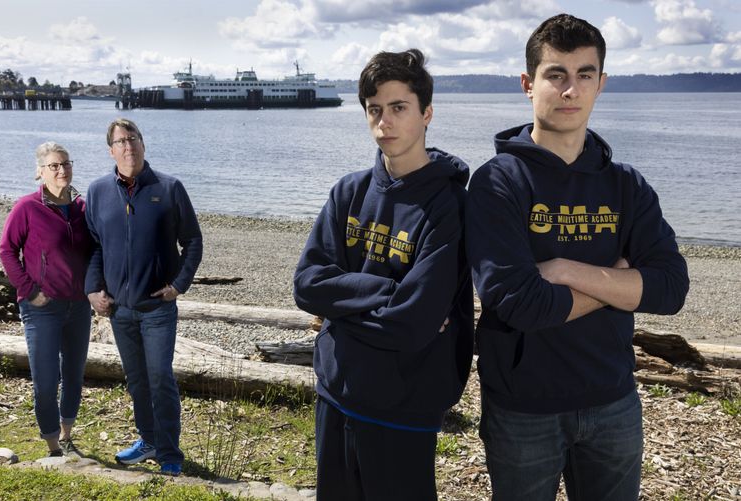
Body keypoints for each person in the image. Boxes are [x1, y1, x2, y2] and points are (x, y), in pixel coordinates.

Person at [466, 13, 690, 501]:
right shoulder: (496, 183)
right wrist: (621, 285)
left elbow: (671, 288)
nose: (571, 90)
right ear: (529, 84)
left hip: (613, 400)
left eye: (584, 75)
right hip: (523, 407)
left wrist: (565, 270)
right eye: (556, 75)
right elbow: (519, 304)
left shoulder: (625, 185)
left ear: (601, 84)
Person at [293, 49, 474, 500]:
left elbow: (412, 324)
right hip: (335, 393)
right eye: (375, 110)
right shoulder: (349, 191)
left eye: (398, 108)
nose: (384, 122)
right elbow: (306, 283)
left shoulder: (448, 206)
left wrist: (339, 314)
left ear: (426, 113)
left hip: (403, 405)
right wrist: (389, 289)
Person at [84, 118, 203, 476]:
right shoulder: (99, 191)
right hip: (119, 310)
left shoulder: (169, 188)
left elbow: (193, 241)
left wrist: (179, 284)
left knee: (160, 379)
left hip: (157, 309)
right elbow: (94, 246)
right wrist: (92, 290)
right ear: (111, 150)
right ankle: (148, 439)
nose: (128, 146)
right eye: (120, 141)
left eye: (133, 138)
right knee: (136, 380)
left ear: (143, 144)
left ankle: (169, 454)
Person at [0, 142, 93, 458]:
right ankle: (53, 445)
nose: (62, 170)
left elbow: (95, 252)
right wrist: (30, 290)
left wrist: (95, 288)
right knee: (45, 378)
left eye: (66, 163)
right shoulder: (26, 207)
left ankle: (67, 436)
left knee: (74, 374)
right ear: (40, 172)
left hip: (79, 305)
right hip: (41, 308)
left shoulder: (83, 208)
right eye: (53, 165)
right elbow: (7, 251)